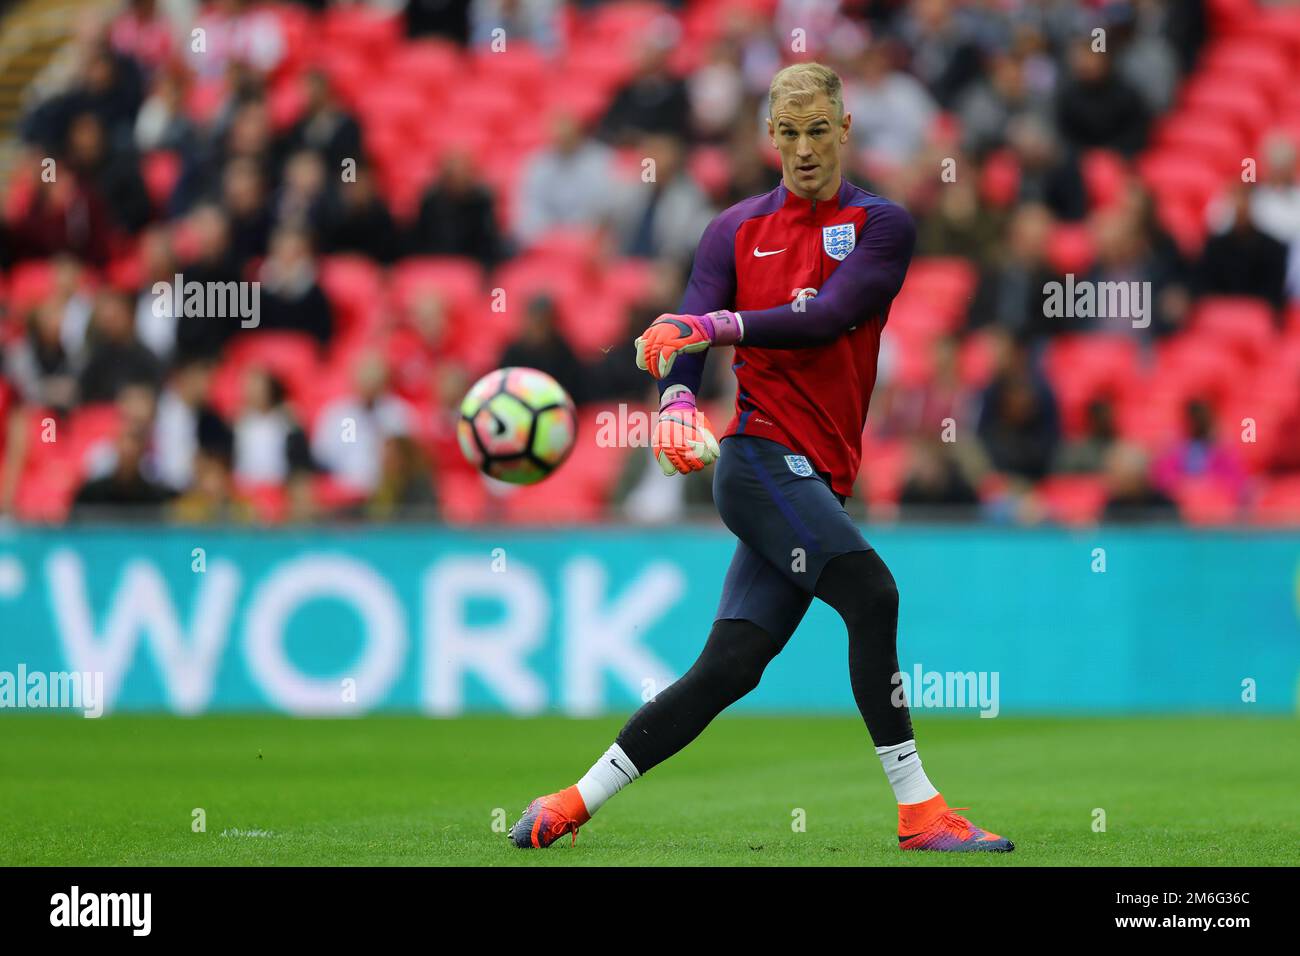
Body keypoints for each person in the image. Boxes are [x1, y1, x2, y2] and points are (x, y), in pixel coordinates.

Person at [509, 63, 1013, 854]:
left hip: (817, 473)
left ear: (845, 130)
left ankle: (572, 800)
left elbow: (829, 316)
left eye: (819, 131)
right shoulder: (732, 230)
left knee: (731, 667)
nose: (805, 149)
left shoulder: (884, 225)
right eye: (789, 132)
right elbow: (684, 324)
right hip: (757, 462)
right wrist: (677, 402)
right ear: (769, 137)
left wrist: (711, 332)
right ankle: (921, 811)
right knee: (873, 595)